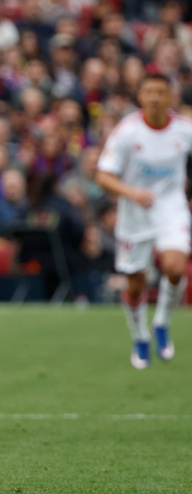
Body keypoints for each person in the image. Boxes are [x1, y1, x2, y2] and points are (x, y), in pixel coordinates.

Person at [96, 73, 192, 369]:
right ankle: (140, 335)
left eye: (160, 92)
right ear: (140, 96)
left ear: (170, 97)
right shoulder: (127, 132)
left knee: (175, 266)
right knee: (136, 284)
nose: (154, 97)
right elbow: (103, 176)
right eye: (148, 92)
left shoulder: (184, 129)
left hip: (170, 207)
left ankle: (161, 322)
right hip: (135, 212)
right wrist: (131, 192)